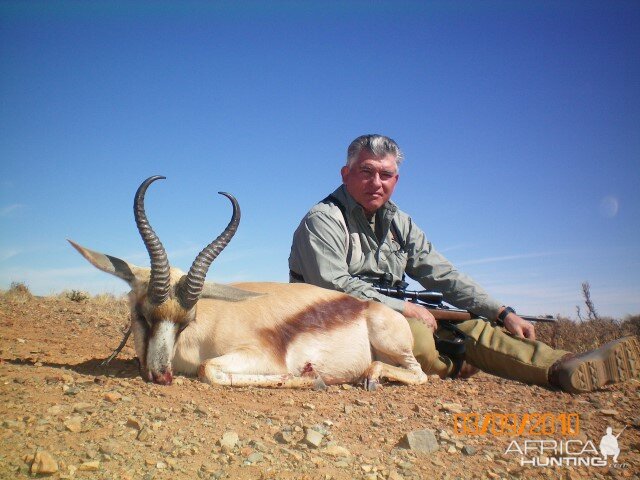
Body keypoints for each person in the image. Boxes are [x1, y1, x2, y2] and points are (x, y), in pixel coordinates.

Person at [288, 134, 639, 393]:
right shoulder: (323, 219)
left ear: (396, 179)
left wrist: (501, 311)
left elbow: (443, 274)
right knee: (420, 340)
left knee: (474, 328)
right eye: (366, 171)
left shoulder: (399, 222)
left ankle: (561, 366)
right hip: (337, 322)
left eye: (385, 174)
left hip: (391, 315)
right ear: (345, 173)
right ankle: (457, 363)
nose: (376, 183)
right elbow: (333, 286)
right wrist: (404, 308)